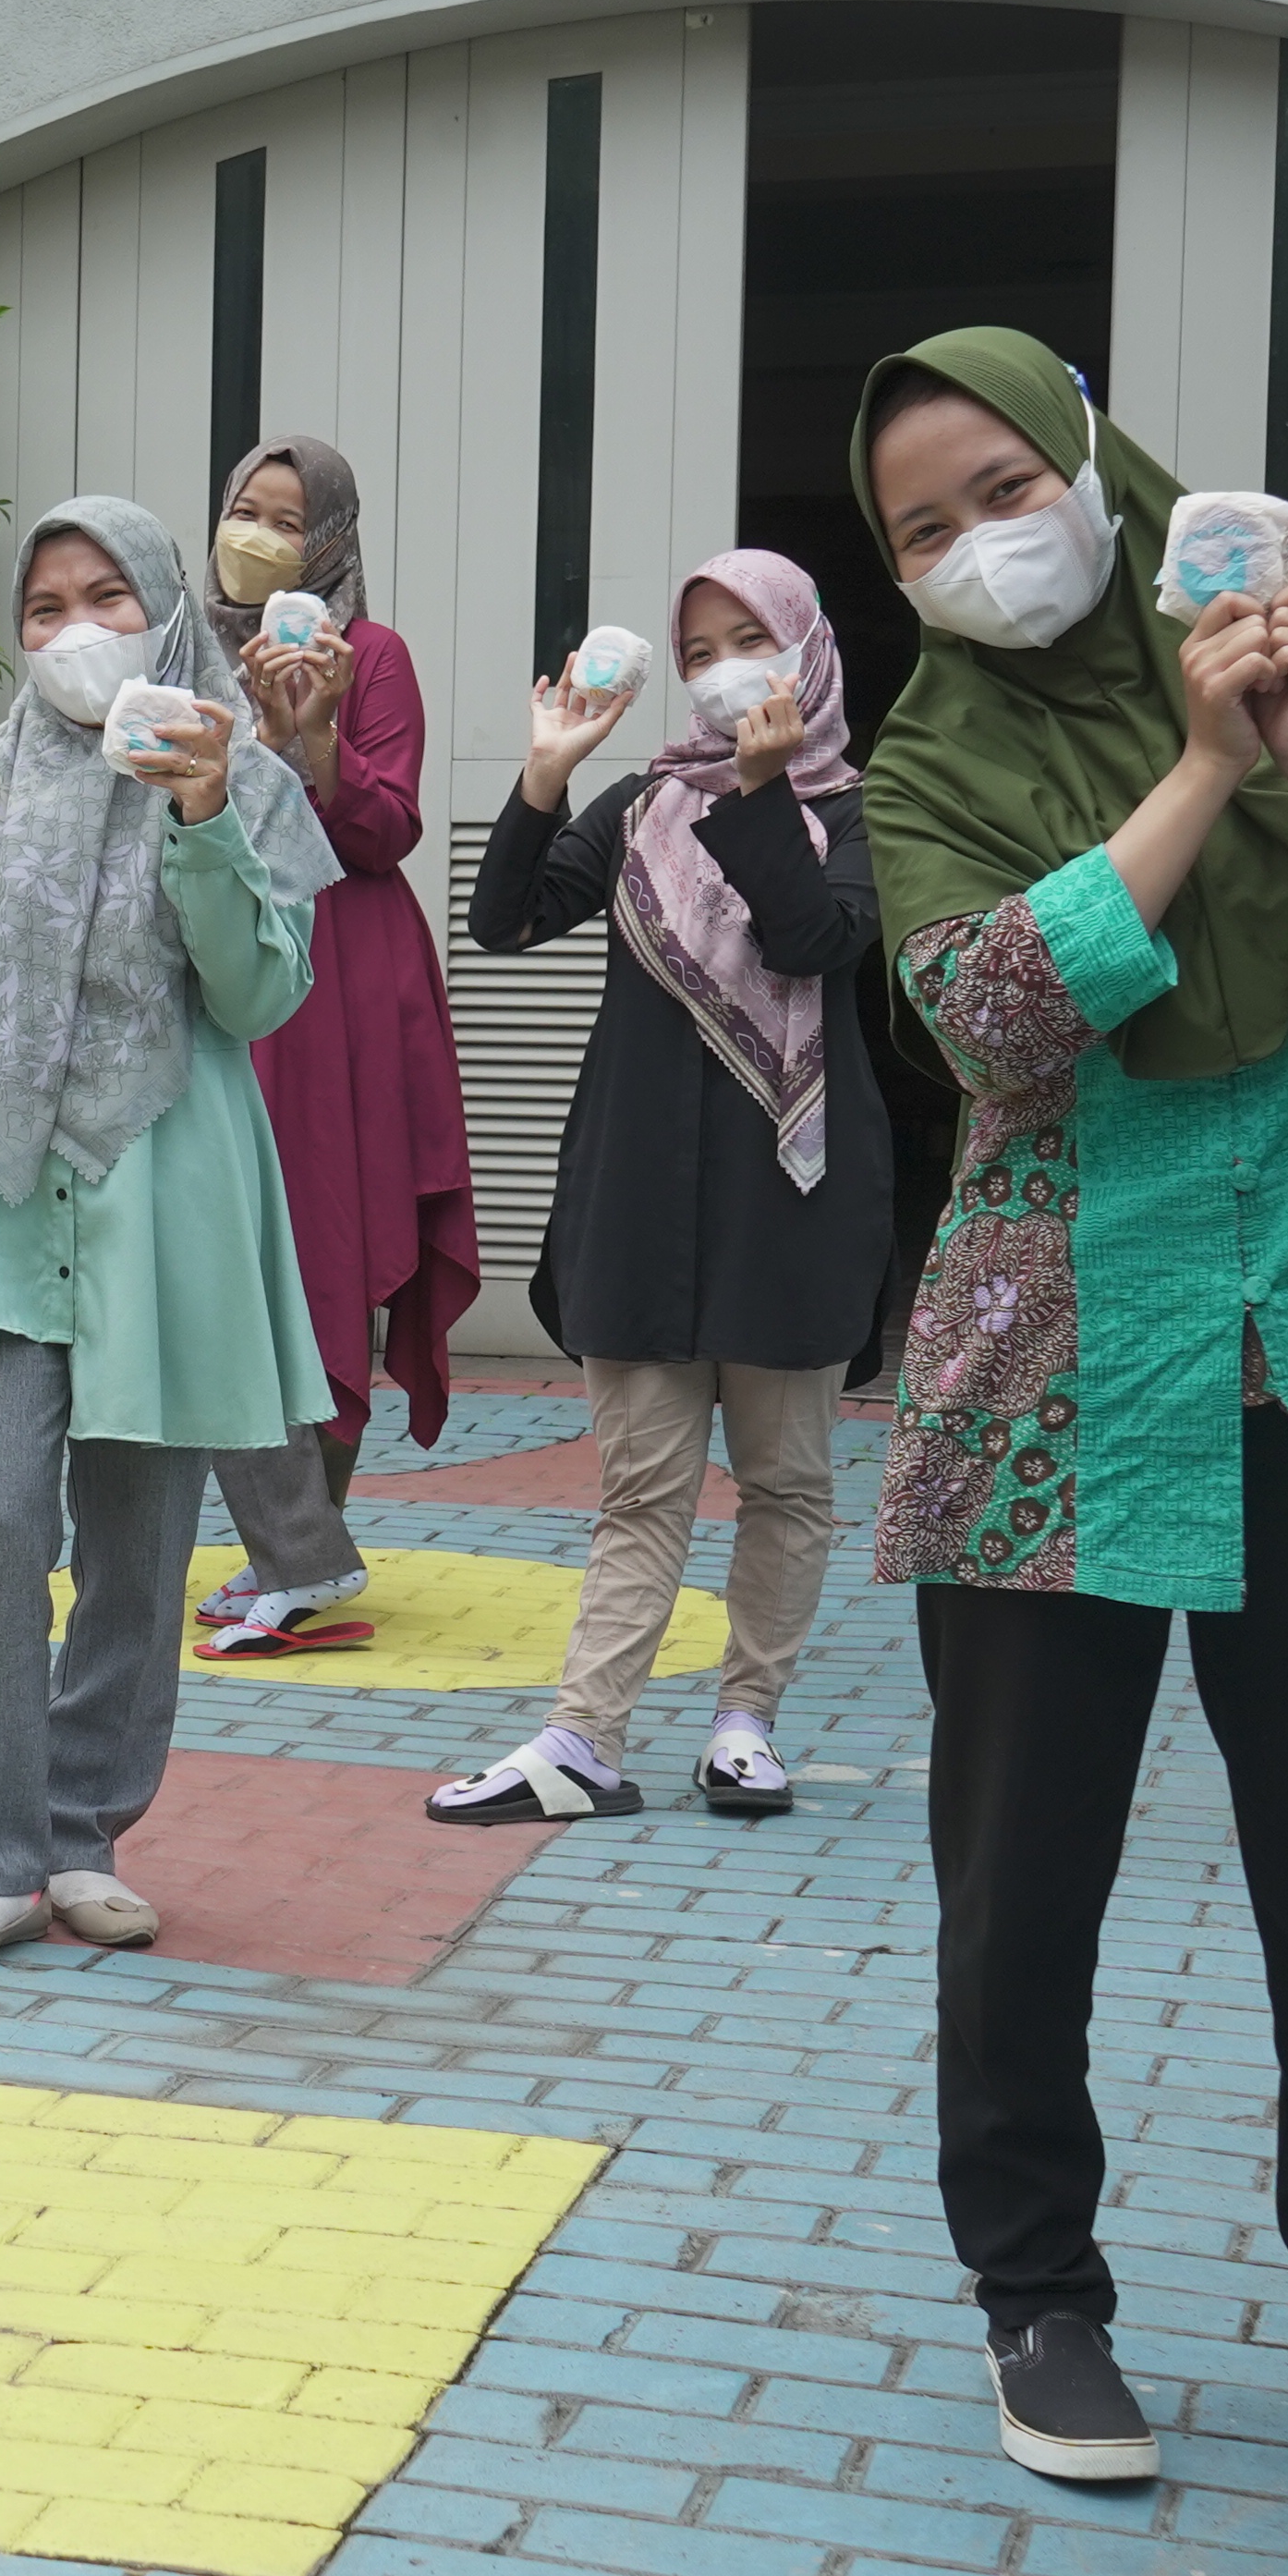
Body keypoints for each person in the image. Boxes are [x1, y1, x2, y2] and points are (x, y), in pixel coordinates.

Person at [852, 329, 1288, 2528]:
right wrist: (1186, 768)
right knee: (1019, 1880)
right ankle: (1036, 2296)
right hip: (1053, 1387)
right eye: (922, 529)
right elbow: (996, 1016)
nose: (979, 543)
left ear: (1091, 460)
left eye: (999, 485)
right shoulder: (926, 756)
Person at [0, 497, 338, 1974]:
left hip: (167, 1199)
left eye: (106, 599)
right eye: (44, 608)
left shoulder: (250, 781)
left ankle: (86, 1837)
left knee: (140, 1551)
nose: (74, 632)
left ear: (165, 613)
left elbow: (258, 994)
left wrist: (207, 816)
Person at [428, 549, 891, 1827]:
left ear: (807, 645)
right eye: (699, 650)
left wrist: (757, 795)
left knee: (789, 1484)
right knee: (638, 1490)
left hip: (788, 1200)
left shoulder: (863, 811)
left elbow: (811, 937)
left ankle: (745, 1726)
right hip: (635, 1193)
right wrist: (545, 772)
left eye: (749, 636)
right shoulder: (640, 803)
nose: (722, 666)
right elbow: (507, 919)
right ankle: (583, 1743)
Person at [184, 435, 477, 1663]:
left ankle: (308, 1553)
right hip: (220, 961)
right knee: (223, 1259)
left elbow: (390, 826)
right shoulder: (188, 651)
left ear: (336, 542)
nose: (255, 532)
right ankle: (281, 1547)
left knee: (320, 1253)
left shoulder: (375, 657)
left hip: (342, 981)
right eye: (243, 510)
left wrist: (311, 735)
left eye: (287, 520)